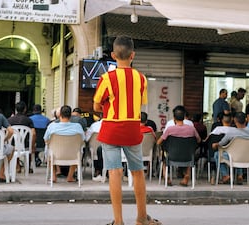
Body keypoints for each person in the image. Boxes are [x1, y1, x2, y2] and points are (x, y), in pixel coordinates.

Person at [93, 36, 161, 225]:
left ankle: (118, 221)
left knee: (114, 173)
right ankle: (141, 218)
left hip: (111, 129)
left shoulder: (106, 78)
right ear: (133, 55)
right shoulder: (141, 78)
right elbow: (139, 104)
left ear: (113, 55)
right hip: (132, 129)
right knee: (137, 172)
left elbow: (97, 105)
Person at [212, 112, 249, 185]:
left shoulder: (231, 132)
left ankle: (225, 175)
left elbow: (221, 143)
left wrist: (215, 144)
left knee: (217, 154)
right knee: (239, 153)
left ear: (235, 120)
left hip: (234, 157)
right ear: (246, 120)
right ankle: (240, 175)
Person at [156, 105, 201, 186]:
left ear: (174, 118)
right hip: (188, 157)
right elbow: (199, 140)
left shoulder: (169, 129)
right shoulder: (192, 128)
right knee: (190, 152)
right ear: (184, 117)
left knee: (163, 156)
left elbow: (159, 142)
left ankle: (167, 178)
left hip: (172, 156)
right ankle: (186, 176)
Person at [43, 105, 85, 183]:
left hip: (56, 155)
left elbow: (45, 140)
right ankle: (70, 176)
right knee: (79, 151)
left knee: (48, 149)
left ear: (60, 115)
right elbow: (83, 140)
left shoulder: (52, 126)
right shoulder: (78, 127)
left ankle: (53, 176)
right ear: (71, 115)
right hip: (73, 155)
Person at [8, 101, 37, 173]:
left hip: (13, 145)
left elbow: (7, 132)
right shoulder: (28, 120)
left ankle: (17, 166)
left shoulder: (9, 120)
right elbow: (33, 134)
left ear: (16, 109)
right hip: (25, 144)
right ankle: (28, 166)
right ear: (25, 109)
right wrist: (32, 145)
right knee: (29, 145)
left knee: (15, 144)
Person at [85, 114, 103, 182]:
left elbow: (86, 139)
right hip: (111, 150)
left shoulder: (94, 125)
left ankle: (97, 171)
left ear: (100, 116)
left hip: (94, 150)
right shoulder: (114, 125)